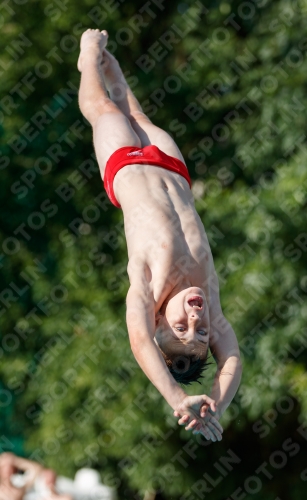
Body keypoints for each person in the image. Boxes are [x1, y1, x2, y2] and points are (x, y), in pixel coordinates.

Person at [77, 29, 242, 441]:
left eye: (182, 329)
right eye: (202, 331)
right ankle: (116, 73)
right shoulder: (209, 293)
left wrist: (176, 399)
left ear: (157, 325)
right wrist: (215, 405)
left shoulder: (147, 290)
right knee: (140, 116)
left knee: (104, 111)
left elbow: (139, 343)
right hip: (171, 168)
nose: (196, 319)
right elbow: (233, 357)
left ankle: (87, 59)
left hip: (125, 168)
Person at [0, 452, 72, 500]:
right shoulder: (5, 491)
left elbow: (36, 469)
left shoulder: (20, 484)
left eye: (11, 467)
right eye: (4, 468)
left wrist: (16, 461)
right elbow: (13, 496)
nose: (9, 470)